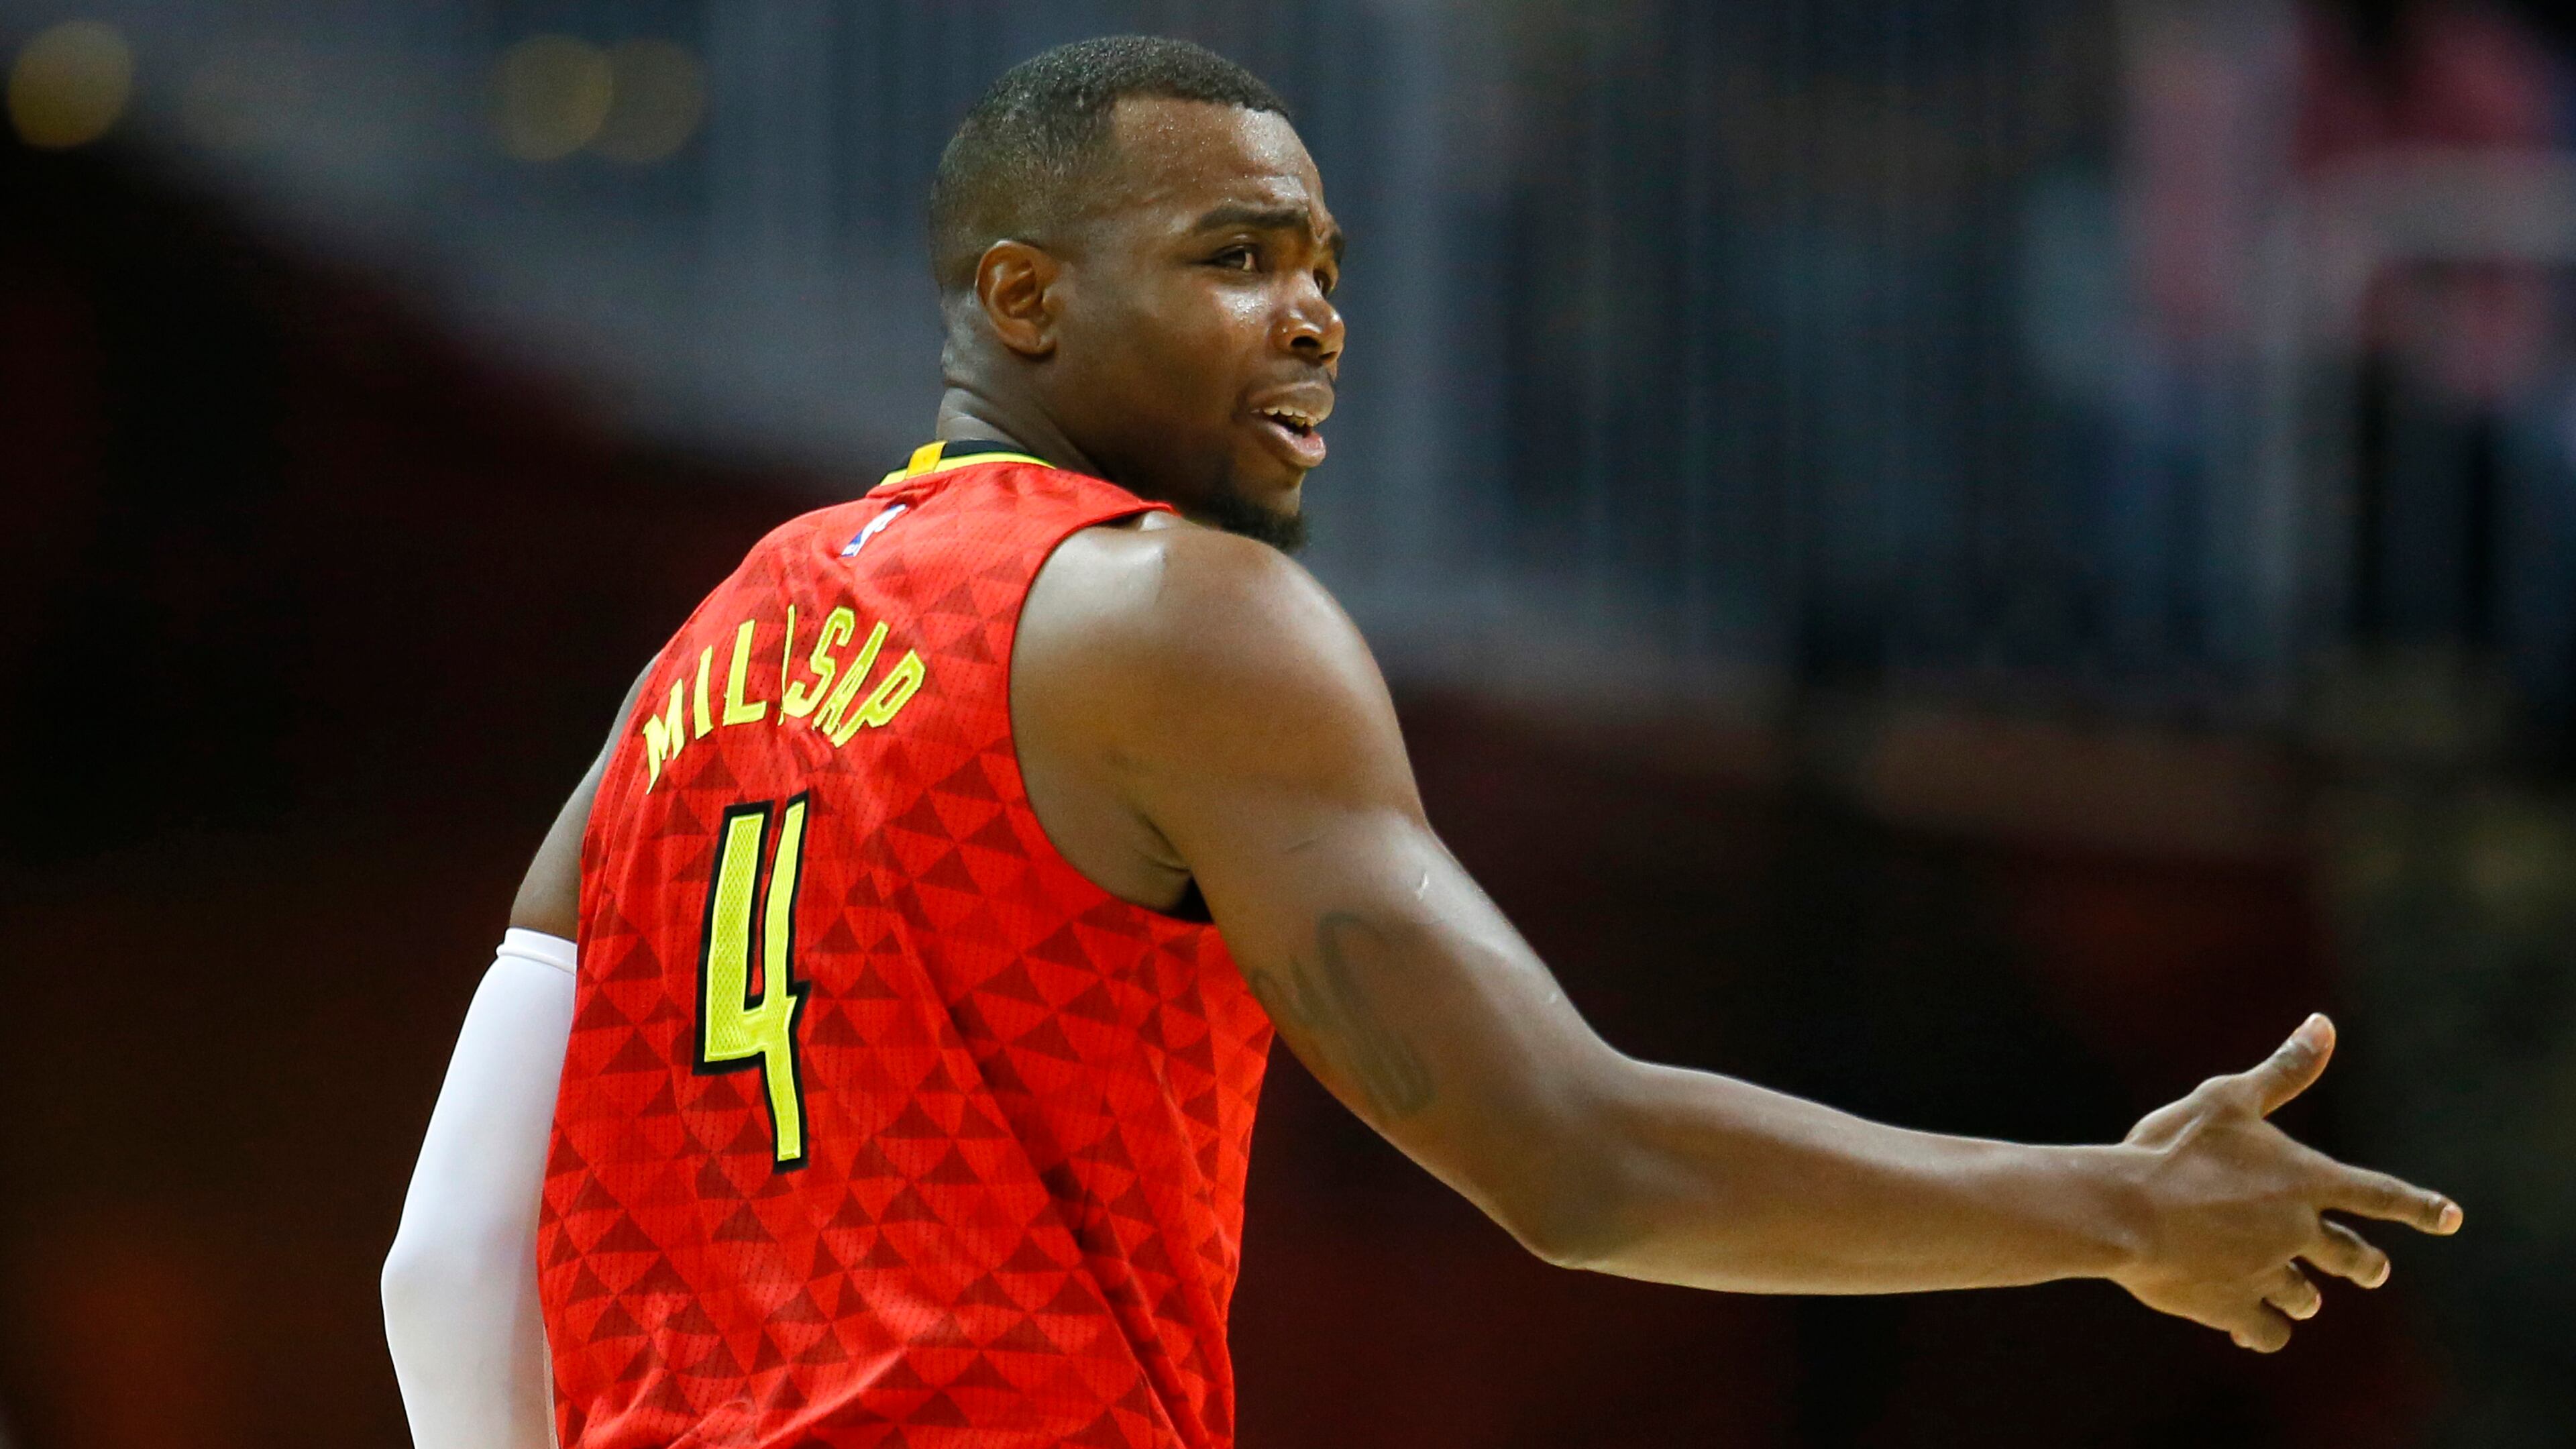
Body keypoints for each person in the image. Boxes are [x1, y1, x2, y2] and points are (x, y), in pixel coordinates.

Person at [380, 34, 2463, 1449]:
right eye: (1232, 260)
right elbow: (1579, 1159)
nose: (1314, 318)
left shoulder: (708, 648)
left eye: (1322, 265)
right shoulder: (1172, 614)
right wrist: (2109, 1207)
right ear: (1019, 296)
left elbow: (444, 1255)